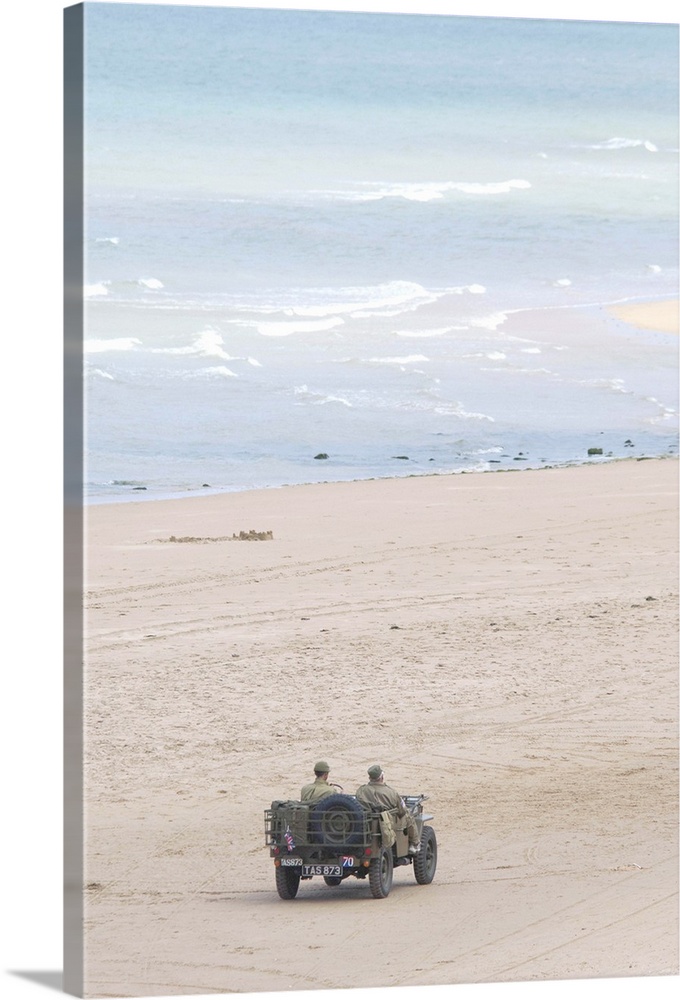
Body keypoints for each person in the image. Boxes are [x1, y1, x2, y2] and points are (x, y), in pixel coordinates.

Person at [355, 764, 421, 854]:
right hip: (387, 823)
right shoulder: (391, 793)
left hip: (365, 822)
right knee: (408, 814)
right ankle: (415, 843)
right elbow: (402, 811)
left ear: (370, 778)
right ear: (381, 777)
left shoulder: (361, 791)